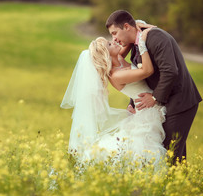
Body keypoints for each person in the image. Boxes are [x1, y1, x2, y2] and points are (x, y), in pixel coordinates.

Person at [105, 10, 202, 164]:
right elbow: (139, 80)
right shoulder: (136, 43)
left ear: (126, 27)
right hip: (164, 103)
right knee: (173, 155)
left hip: (179, 102)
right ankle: (180, 186)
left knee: (169, 155)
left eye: (115, 33)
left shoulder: (155, 37)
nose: (114, 38)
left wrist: (155, 98)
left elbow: (170, 71)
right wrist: (133, 103)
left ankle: (172, 185)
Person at [61, 26, 166, 166]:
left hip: (148, 106)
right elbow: (147, 70)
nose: (114, 41)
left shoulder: (119, 58)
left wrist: (137, 25)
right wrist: (142, 41)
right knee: (146, 156)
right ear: (106, 54)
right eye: (109, 44)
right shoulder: (117, 75)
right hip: (148, 111)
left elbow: (127, 40)